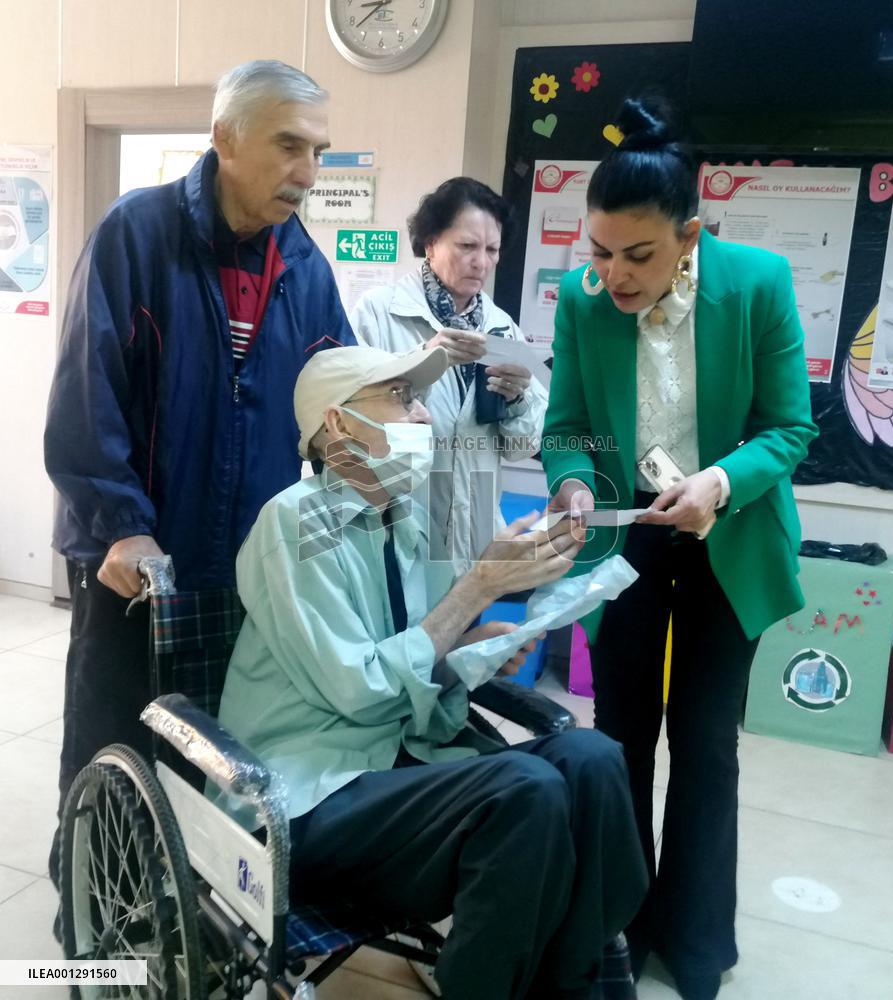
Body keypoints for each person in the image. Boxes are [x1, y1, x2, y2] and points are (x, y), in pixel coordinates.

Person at [215, 344, 648, 1000]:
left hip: (397, 768)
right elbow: (359, 692)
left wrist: (473, 646)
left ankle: (570, 985)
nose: (423, 415)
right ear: (337, 427)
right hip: (307, 795)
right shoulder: (299, 524)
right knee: (524, 789)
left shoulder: (408, 520)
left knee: (592, 759)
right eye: (400, 396)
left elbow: (425, 656)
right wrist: (475, 590)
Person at [43, 60, 355, 882]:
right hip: (135, 562)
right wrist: (121, 524)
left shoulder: (306, 268)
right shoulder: (135, 235)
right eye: (290, 145)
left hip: (248, 565)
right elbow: (86, 392)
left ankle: (189, 903)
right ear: (223, 137)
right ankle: (94, 909)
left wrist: (365, 439)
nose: (308, 172)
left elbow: (330, 400)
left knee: (217, 747)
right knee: (116, 739)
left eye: (319, 151)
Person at [541, 98, 817, 1000]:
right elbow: (569, 426)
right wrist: (574, 482)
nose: (613, 275)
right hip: (627, 540)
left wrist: (719, 484)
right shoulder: (586, 304)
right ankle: (613, 923)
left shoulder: (758, 284)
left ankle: (694, 941)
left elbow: (788, 427)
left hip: (725, 539)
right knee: (617, 739)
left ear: (690, 235)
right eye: (598, 252)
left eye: (639, 255)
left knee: (706, 745)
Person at [350, 177, 547, 572]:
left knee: (470, 631)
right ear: (430, 242)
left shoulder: (502, 327)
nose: (482, 262)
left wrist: (518, 400)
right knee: (406, 631)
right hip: (398, 527)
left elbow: (521, 447)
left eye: (492, 250)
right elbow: (352, 420)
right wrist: (423, 360)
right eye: (467, 246)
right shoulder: (377, 312)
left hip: (473, 540)